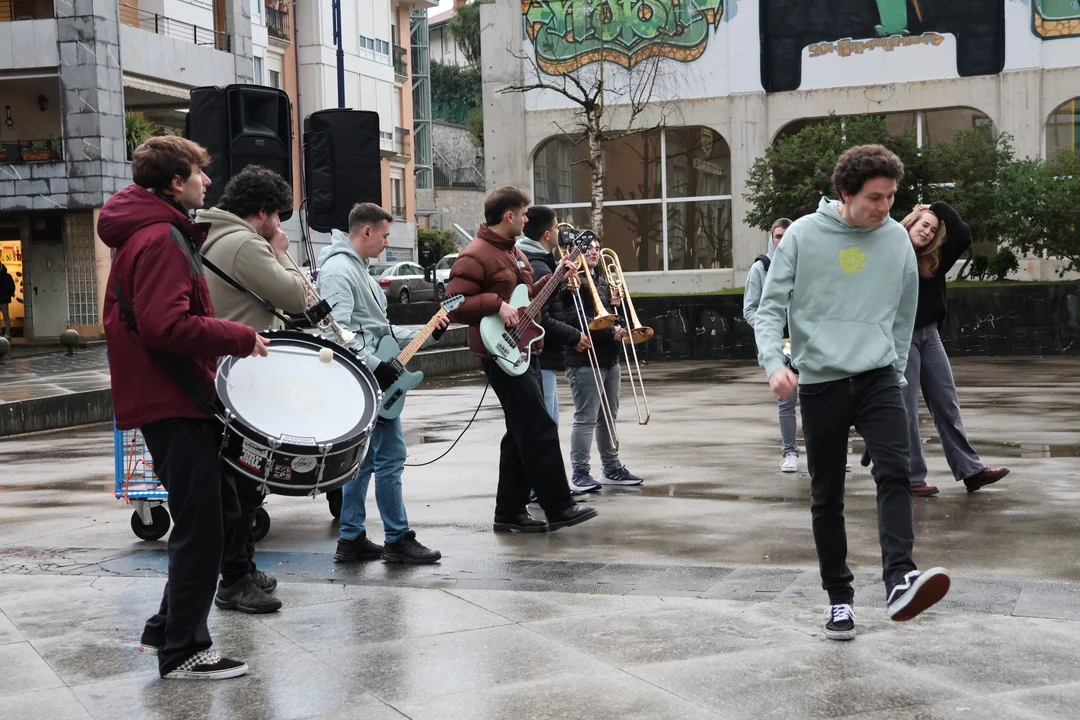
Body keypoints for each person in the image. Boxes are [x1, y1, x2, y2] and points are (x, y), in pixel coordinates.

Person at [754, 144, 950, 642]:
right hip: (821, 380)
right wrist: (775, 364)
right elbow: (769, 308)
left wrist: (898, 371)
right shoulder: (802, 235)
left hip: (879, 375)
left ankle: (900, 578)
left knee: (896, 472)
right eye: (875, 198)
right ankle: (839, 598)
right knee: (828, 494)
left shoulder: (896, 240)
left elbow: (904, 313)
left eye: (891, 197)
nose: (886, 208)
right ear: (846, 193)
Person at [100, 136, 266, 680]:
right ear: (175, 182)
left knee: (221, 513)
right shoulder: (161, 238)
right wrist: (238, 336)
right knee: (202, 528)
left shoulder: (156, 231)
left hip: (171, 396)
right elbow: (164, 326)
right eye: (199, 172)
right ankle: (185, 649)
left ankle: (166, 628)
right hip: (172, 400)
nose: (207, 181)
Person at [445, 186, 598, 533]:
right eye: (524, 213)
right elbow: (453, 304)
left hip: (523, 350)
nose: (528, 219)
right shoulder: (474, 255)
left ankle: (509, 512)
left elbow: (526, 300)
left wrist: (555, 281)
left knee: (519, 433)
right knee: (539, 427)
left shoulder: (515, 253)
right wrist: (495, 304)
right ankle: (559, 507)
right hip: (499, 352)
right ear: (509, 215)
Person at [199, 165, 309, 613]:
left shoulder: (214, 235)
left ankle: (242, 567)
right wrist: (279, 253)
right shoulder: (246, 243)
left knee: (242, 483)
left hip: (228, 375)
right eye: (277, 215)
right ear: (261, 212)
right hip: (242, 381)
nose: (279, 224)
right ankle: (235, 579)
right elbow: (297, 297)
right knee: (244, 485)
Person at [318, 202, 445, 564]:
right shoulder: (339, 271)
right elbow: (335, 333)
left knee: (364, 461)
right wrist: (375, 366)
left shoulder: (356, 269)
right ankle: (397, 539)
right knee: (390, 458)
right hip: (365, 379)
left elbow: (379, 330)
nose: (388, 243)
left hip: (369, 378)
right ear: (367, 231)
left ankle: (351, 537)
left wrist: (426, 334)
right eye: (386, 235)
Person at [894, 202, 1010, 496]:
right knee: (906, 408)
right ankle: (912, 478)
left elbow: (962, 235)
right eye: (923, 224)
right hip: (901, 337)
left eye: (933, 230)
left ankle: (970, 471)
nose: (927, 232)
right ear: (910, 223)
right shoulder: (891, 251)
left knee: (947, 403)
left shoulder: (935, 260)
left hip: (930, 335)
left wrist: (936, 207)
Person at [560, 238, 645, 490]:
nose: (594, 252)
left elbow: (617, 319)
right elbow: (574, 318)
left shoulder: (603, 281)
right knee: (586, 418)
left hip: (610, 359)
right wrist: (611, 333)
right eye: (588, 248)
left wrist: (620, 306)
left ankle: (611, 467)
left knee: (608, 418)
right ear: (575, 251)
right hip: (584, 360)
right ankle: (580, 473)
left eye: (597, 248)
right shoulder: (570, 282)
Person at [515, 205, 590, 427]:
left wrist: (564, 291)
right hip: (541, 356)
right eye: (557, 227)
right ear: (547, 234)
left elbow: (548, 306)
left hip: (544, 356)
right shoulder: (538, 266)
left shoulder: (537, 260)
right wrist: (574, 336)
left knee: (549, 420)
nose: (560, 232)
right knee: (547, 424)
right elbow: (539, 318)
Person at [744, 218, 798, 472]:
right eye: (778, 236)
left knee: (821, 398)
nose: (782, 241)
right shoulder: (761, 268)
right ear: (771, 238)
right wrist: (769, 331)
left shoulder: (805, 263)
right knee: (787, 400)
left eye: (787, 236)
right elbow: (750, 309)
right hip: (781, 343)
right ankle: (790, 452)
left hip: (806, 341)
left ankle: (828, 451)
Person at [0, 263, 14, 338]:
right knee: (6, 317)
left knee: (6, 317)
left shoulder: (7, 276)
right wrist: (9, 295)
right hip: (4, 300)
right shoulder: (8, 276)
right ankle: (7, 333)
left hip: (4, 299)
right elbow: (12, 287)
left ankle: (2, 333)